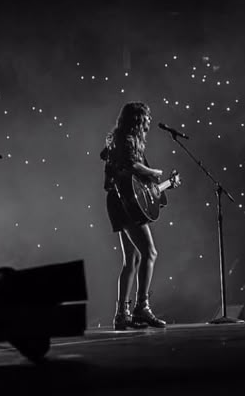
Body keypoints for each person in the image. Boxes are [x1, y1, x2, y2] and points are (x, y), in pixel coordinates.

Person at [100, 101, 167, 329]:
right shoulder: (127, 140)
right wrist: (155, 173)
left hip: (119, 201)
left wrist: (159, 188)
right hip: (124, 203)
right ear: (138, 119)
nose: (149, 122)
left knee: (133, 259)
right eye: (146, 118)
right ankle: (141, 307)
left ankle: (121, 315)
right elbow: (133, 166)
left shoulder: (118, 139)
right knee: (150, 252)